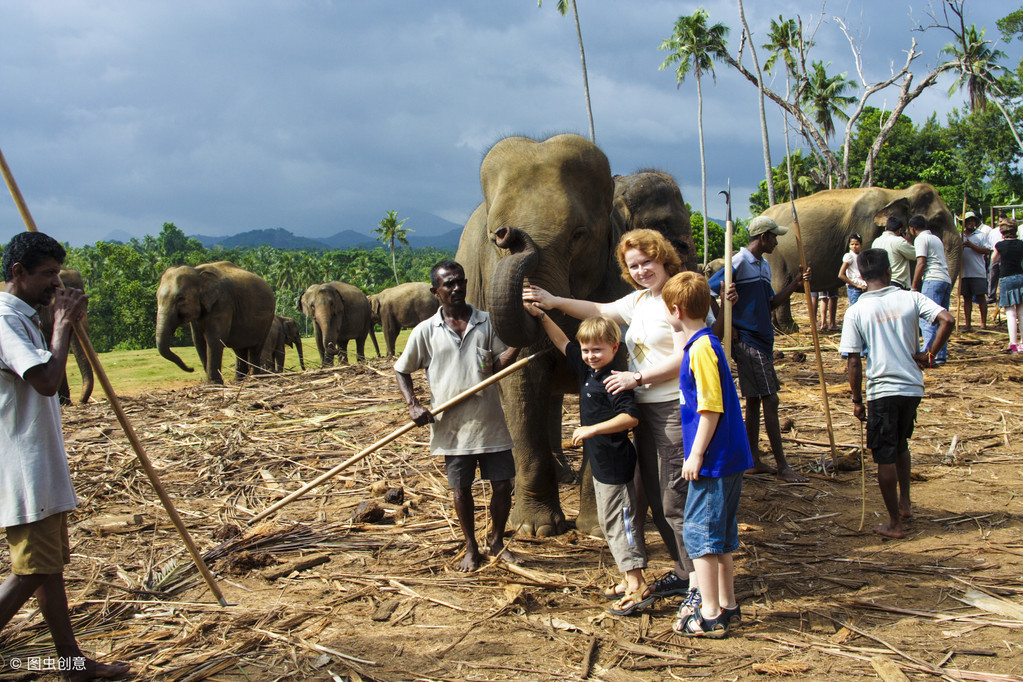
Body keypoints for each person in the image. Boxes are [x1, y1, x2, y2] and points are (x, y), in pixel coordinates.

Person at [523, 229, 712, 602]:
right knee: (655, 498)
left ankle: (699, 584)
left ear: (663, 258)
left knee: (676, 497)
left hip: (673, 406)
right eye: (634, 266)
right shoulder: (641, 301)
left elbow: (687, 355)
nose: (642, 270)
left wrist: (636, 376)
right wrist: (553, 300)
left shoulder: (678, 298)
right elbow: (597, 311)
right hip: (642, 405)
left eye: (647, 262)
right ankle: (683, 571)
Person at [0, 232, 130, 681]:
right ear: (18, 273)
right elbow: (47, 381)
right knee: (31, 571)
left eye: (58, 273)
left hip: (42, 463)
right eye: (47, 275)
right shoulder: (4, 320)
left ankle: (71, 663)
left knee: (49, 569)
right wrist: (61, 325)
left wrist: (57, 322)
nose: (55, 284)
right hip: (23, 467)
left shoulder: (25, 316)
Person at [395, 260, 520, 571]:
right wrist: (413, 405)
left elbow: (496, 366)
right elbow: (401, 370)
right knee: (461, 489)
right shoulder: (426, 331)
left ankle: (496, 541)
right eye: (448, 284)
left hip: (489, 422)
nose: (456, 288)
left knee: (503, 485)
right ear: (435, 291)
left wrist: (518, 343)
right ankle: (470, 546)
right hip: (451, 427)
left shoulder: (487, 322)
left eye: (460, 282)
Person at [523, 308, 649, 615]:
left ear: (614, 349)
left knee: (621, 523)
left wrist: (593, 429)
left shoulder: (614, 380)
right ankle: (627, 578)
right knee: (610, 522)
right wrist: (542, 317)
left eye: (598, 350)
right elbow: (562, 341)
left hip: (616, 462)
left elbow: (630, 418)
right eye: (587, 350)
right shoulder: (588, 369)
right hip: (602, 461)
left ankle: (637, 585)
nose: (591, 355)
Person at [840, 248, 954, 539]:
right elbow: (947, 319)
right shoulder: (910, 297)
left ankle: (894, 523)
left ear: (862, 278)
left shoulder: (856, 310)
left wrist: (856, 399)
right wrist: (930, 355)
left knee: (884, 456)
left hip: (882, 389)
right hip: (912, 386)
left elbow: (853, 359)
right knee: (901, 443)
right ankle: (905, 503)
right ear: (889, 272)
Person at [662, 272, 752, 637]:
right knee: (723, 536)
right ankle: (728, 605)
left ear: (676, 309)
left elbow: (710, 407)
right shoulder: (704, 342)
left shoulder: (700, 350)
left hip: (713, 461)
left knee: (702, 538)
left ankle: (710, 614)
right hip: (727, 456)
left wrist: (695, 454)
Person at [707, 216, 810, 483]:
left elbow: (771, 303)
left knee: (754, 400)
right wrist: (727, 323)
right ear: (763, 237)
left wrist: (795, 285)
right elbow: (707, 290)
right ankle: (783, 465)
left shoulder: (763, 266)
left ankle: (753, 459)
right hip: (748, 342)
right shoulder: (738, 262)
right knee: (771, 399)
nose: (776, 241)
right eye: (774, 237)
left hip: (763, 341)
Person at [909, 214, 952, 365]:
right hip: (945, 279)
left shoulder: (921, 239)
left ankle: (928, 353)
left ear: (912, 229)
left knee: (928, 319)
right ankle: (939, 355)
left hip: (932, 279)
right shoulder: (935, 238)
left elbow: (921, 263)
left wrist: (914, 286)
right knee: (942, 319)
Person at [992, 218, 1023, 353]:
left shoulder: (1000, 245)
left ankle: (1013, 343)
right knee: (1021, 312)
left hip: (1006, 278)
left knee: (1010, 313)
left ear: (1002, 232)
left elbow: (994, 260)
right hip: (1020, 277)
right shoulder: (1021, 244)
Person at [961, 211, 992, 332]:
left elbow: (987, 250)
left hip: (978, 272)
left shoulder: (981, 235)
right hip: (964, 273)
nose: (971, 223)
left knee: (980, 298)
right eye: (968, 221)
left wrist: (971, 245)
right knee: (966, 299)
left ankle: (983, 325)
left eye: (973, 221)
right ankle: (968, 324)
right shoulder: (960, 236)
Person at [872, 216, 917, 290]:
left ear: (886, 228)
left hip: (880, 282)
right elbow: (916, 255)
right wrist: (908, 241)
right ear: (899, 230)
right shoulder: (899, 241)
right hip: (896, 282)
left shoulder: (876, 241)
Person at [838, 234, 867, 309]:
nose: (854, 246)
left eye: (856, 244)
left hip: (862, 287)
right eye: (852, 244)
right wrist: (856, 285)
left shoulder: (860, 256)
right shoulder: (849, 256)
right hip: (854, 289)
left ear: (861, 245)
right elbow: (841, 275)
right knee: (855, 309)